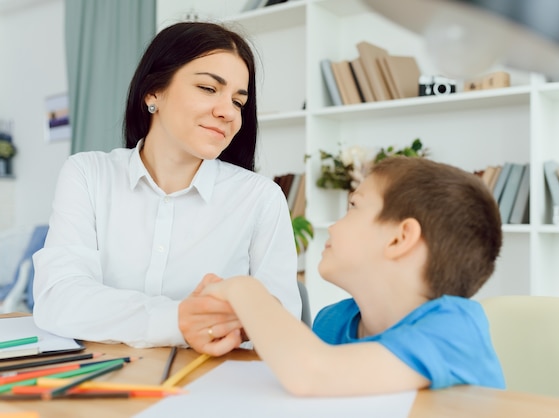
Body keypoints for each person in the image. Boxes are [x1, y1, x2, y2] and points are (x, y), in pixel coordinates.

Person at [32, 22, 301, 354]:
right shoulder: (88, 174)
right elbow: (58, 298)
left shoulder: (260, 197)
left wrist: (242, 320)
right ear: (153, 92)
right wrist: (179, 320)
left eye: (238, 102)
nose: (227, 111)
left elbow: (282, 319)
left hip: (214, 387)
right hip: (103, 382)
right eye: (207, 88)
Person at [200, 156, 505, 396]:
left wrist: (244, 289)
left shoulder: (455, 329)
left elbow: (311, 374)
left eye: (353, 207)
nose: (332, 226)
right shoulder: (331, 321)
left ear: (399, 239)